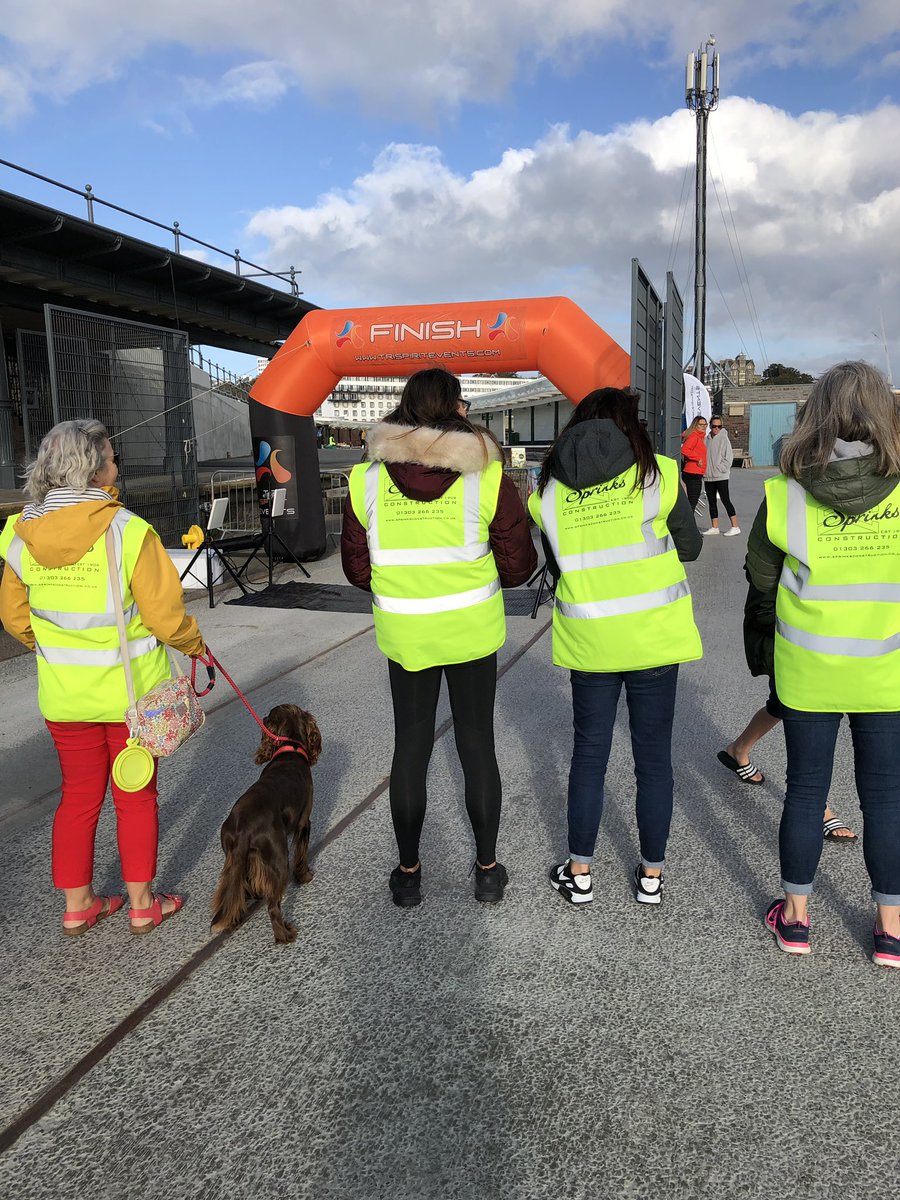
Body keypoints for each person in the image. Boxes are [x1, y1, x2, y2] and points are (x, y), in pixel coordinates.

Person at [0, 420, 206, 936]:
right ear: (93, 470)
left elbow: (14, 617)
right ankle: (141, 904)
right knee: (135, 796)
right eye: (112, 459)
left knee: (78, 796)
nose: (118, 467)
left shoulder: (18, 534)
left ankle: (79, 905)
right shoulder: (129, 531)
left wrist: (52, 649)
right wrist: (195, 644)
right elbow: (164, 618)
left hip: (65, 698)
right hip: (132, 700)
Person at [341, 368, 536, 907]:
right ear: (455, 410)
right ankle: (488, 870)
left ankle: (408, 873)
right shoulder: (488, 475)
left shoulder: (367, 479)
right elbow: (518, 567)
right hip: (471, 630)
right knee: (477, 745)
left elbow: (357, 568)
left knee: (410, 747)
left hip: (405, 632)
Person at [746, 361, 900, 967]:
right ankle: (890, 928)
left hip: (809, 668)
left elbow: (760, 578)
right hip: (885, 670)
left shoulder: (785, 493)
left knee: (807, 791)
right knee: (885, 798)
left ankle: (798, 919)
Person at [529, 387, 702, 907]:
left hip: (591, 641)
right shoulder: (659, 475)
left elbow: (557, 569)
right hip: (653, 638)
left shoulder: (548, 493)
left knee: (589, 755)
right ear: (629, 425)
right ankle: (651, 877)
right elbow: (690, 547)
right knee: (653, 760)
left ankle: (580, 873)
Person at [702, 416, 741, 535]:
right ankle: (715, 527)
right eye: (714, 426)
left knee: (725, 499)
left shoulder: (724, 439)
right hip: (708, 476)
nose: (716, 429)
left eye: (719, 426)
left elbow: (729, 458)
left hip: (721, 476)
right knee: (711, 501)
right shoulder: (706, 439)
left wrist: (720, 469)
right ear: (710, 426)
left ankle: (735, 526)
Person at [680, 414, 708, 511]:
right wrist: (697, 458)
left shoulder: (698, 437)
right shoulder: (694, 437)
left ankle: (687, 524)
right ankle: (688, 525)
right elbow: (684, 450)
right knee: (692, 503)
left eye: (705, 424)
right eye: (701, 424)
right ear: (695, 425)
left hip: (693, 472)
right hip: (693, 473)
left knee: (691, 502)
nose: (704, 426)